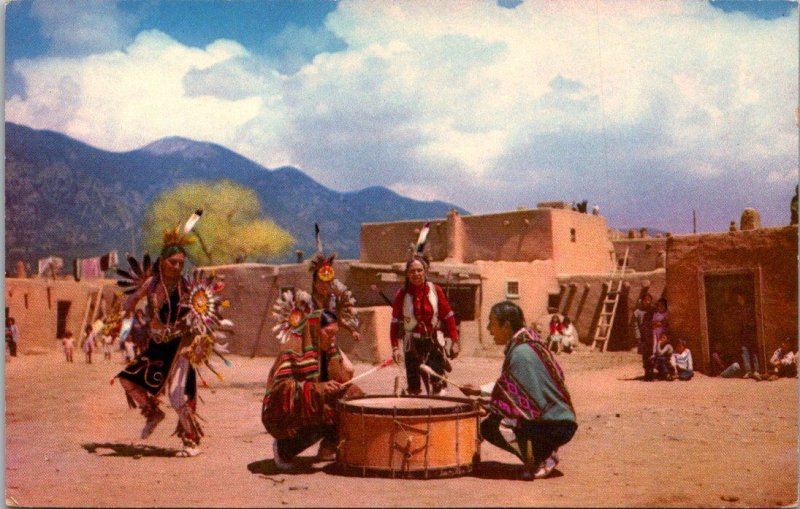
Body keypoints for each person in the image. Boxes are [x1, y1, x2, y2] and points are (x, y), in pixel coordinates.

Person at [114, 211, 229, 457]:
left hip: (180, 346)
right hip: (157, 346)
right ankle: (153, 412)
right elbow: (131, 301)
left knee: (178, 395)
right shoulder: (152, 284)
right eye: (172, 262)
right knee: (127, 381)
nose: (177, 266)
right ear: (162, 261)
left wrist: (193, 341)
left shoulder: (187, 287)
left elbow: (201, 315)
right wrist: (121, 315)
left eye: (180, 263)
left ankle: (192, 439)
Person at [461, 301, 577, 481]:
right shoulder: (527, 345)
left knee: (492, 425)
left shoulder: (521, 352)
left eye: (492, 322)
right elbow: (512, 385)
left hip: (555, 425)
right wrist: (480, 391)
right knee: (498, 417)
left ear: (506, 325)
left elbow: (511, 393)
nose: (489, 329)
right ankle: (543, 450)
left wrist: (490, 406)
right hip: (561, 420)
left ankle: (542, 457)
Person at [263, 307, 362, 470]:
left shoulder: (330, 350)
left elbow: (344, 377)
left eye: (335, 334)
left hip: (315, 402)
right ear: (315, 329)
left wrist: (341, 368)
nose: (332, 338)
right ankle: (284, 448)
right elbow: (279, 390)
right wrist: (318, 389)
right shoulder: (292, 350)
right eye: (328, 333)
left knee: (352, 395)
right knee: (317, 404)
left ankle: (328, 447)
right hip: (288, 411)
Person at [390, 246, 460, 396]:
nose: (416, 274)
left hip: (433, 342)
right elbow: (395, 323)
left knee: (438, 383)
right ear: (407, 274)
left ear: (425, 272)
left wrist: (455, 341)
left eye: (419, 270)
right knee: (414, 386)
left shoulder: (435, 291)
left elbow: (448, 316)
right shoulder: (402, 295)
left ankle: (439, 413)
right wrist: (395, 348)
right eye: (412, 271)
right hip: (411, 344)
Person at [733, 293, 761, 381]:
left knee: (753, 352)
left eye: (739, 298)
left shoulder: (749, 308)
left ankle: (756, 370)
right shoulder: (739, 309)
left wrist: (749, 324)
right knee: (744, 351)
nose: (738, 300)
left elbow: (753, 320)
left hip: (751, 332)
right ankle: (748, 371)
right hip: (743, 333)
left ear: (743, 297)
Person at [633, 294, 655, 380]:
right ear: (642, 301)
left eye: (649, 300)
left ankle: (652, 372)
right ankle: (647, 372)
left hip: (652, 336)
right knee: (645, 355)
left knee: (652, 354)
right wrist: (638, 337)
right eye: (645, 300)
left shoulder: (653, 310)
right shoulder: (637, 312)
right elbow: (636, 326)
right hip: (643, 337)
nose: (647, 301)